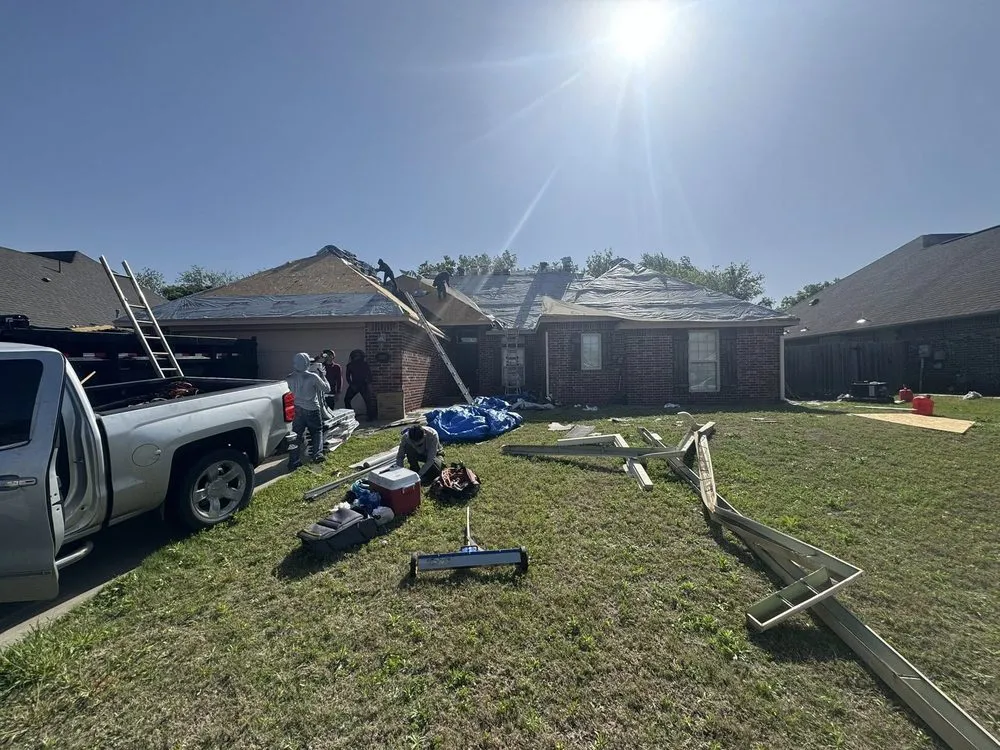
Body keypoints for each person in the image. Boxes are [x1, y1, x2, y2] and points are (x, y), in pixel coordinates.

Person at [286, 352, 330, 468]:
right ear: (306, 363)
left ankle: (293, 461)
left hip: (297, 410)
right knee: (316, 432)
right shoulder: (313, 377)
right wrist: (323, 376)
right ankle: (317, 455)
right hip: (312, 408)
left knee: (296, 436)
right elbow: (327, 389)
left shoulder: (289, 378)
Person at [344, 349, 377, 421]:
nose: (357, 358)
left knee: (368, 401)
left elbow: (369, 375)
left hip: (362, 385)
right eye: (356, 356)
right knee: (347, 400)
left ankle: (370, 417)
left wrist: (367, 383)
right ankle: (351, 416)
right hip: (356, 385)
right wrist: (351, 384)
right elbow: (347, 377)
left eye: (358, 356)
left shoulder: (364, 364)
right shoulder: (350, 365)